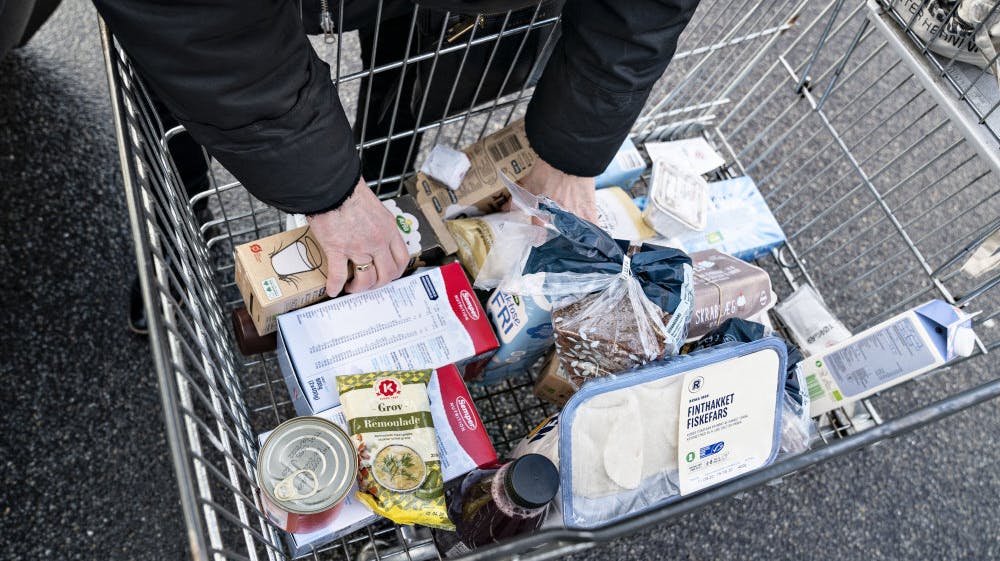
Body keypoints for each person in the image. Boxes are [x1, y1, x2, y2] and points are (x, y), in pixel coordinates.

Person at [94, 0, 699, 332]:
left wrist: (573, 148)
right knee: (178, 112)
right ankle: (175, 249)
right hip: (212, 23)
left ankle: (381, 200)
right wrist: (326, 190)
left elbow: (643, 14)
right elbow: (196, 28)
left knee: (401, 75)